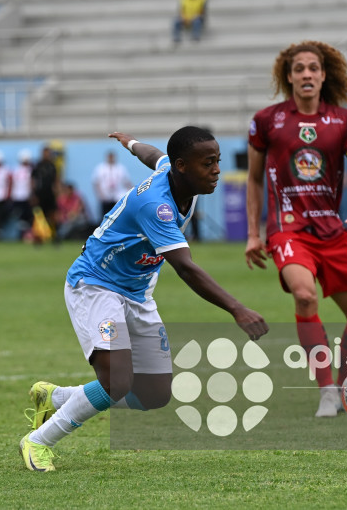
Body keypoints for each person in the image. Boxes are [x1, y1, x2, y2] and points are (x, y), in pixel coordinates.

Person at [20, 127, 269, 472]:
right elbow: (186, 269)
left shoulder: (177, 172)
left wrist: (130, 143)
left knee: (154, 395)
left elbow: (154, 155)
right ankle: (39, 441)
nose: (216, 170)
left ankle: (58, 397)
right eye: (208, 163)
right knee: (117, 382)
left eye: (217, 161)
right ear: (182, 167)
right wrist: (237, 308)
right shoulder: (157, 207)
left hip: (137, 292)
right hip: (96, 286)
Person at [245, 40, 347, 417]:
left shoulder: (344, 121)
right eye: (299, 68)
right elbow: (254, 181)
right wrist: (254, 233)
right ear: (288, 77)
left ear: (323, 75)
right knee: (304, 296)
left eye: (313, 68)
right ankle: (327, 391)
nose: (306, 74)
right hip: (287, 230)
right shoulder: (267, 120)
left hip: (332, 231)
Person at [31, 146, 60, 242]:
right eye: (45, 153)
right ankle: (39, 238)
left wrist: (57, 192)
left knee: (52, 216)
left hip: (50, 195)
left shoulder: (52, 166)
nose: (46, 155)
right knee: (39, 217)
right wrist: (33, 194)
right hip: (40, 195)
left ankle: (54, 236)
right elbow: (33, 181)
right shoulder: (38, 166)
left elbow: (56, 180)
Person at [92, 151, 133, 218]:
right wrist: (100, 195)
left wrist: (130, 193)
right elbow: (96, 182)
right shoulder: (100, 168)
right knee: (104, 215)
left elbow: (127, 182)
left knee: (117, 215)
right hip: (105, 196)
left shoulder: (120, 168)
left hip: (118, 196)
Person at [9, 149, 34, 240]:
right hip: (17, 197)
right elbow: (12, 183)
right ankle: (22, 235)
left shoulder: (31, 170)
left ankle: (26, 235)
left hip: (27, 197)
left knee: (27, 218)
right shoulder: (16, 170)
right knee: (20, 218)